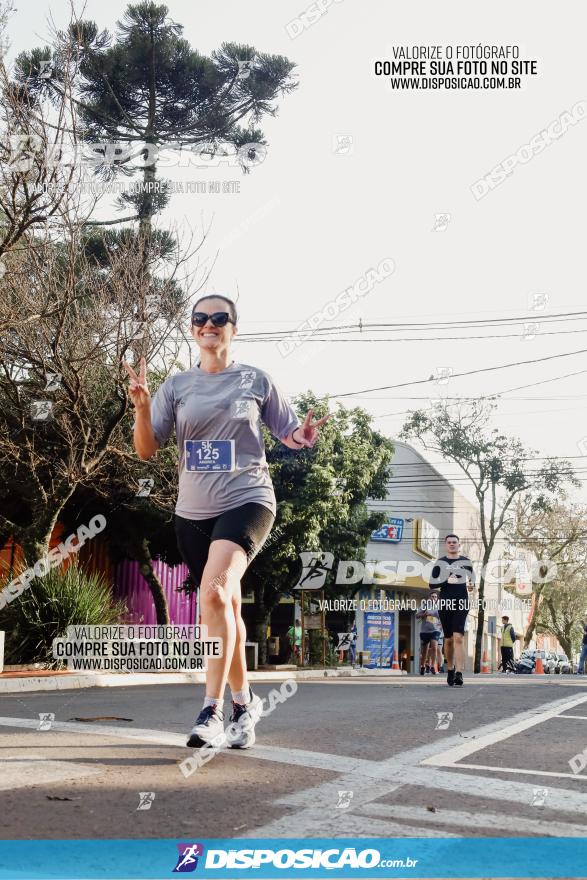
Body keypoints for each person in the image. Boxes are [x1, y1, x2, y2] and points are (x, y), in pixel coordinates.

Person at [123, 294, 328, 750]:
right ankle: (244, 704)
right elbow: (145, 449)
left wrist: (302, 436)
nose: (209, 325)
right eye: (200, 319)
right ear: (193, 329)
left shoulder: (256, 380)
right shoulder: (176, 386)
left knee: (213, 594)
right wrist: (140, 406)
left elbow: (289, 431)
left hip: (248, 500)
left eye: (219, 318)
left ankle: (211, 711)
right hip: (192, 514)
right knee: (226, 609)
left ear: (234, 328)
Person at [429, 534, 475, 687]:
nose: (452, 544)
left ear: (459, 544)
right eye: (449, 542)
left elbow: (472, 580)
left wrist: (471, 586)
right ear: (445, 544)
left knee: (459, 638)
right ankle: (450, 669)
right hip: (445, 603)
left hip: (461, 601)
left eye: (455, 542)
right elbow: (431, 584)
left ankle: (460, 673)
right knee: (448, 640)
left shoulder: (466, 562)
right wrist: (446, 579)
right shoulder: (440, 562)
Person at [416, 590, 441, 675]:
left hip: (435, 630)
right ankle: (423, 666)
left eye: (435, 597)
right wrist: (424, 615)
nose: (434, 598)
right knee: (424, 651)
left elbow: (442, 617)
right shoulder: (424, 606)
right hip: (425, 631)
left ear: (437, 599)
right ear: (429, 598)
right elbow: (417, 615)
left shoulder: (439, 607)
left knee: (434, 646)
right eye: (432, 596)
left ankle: (433, 666)